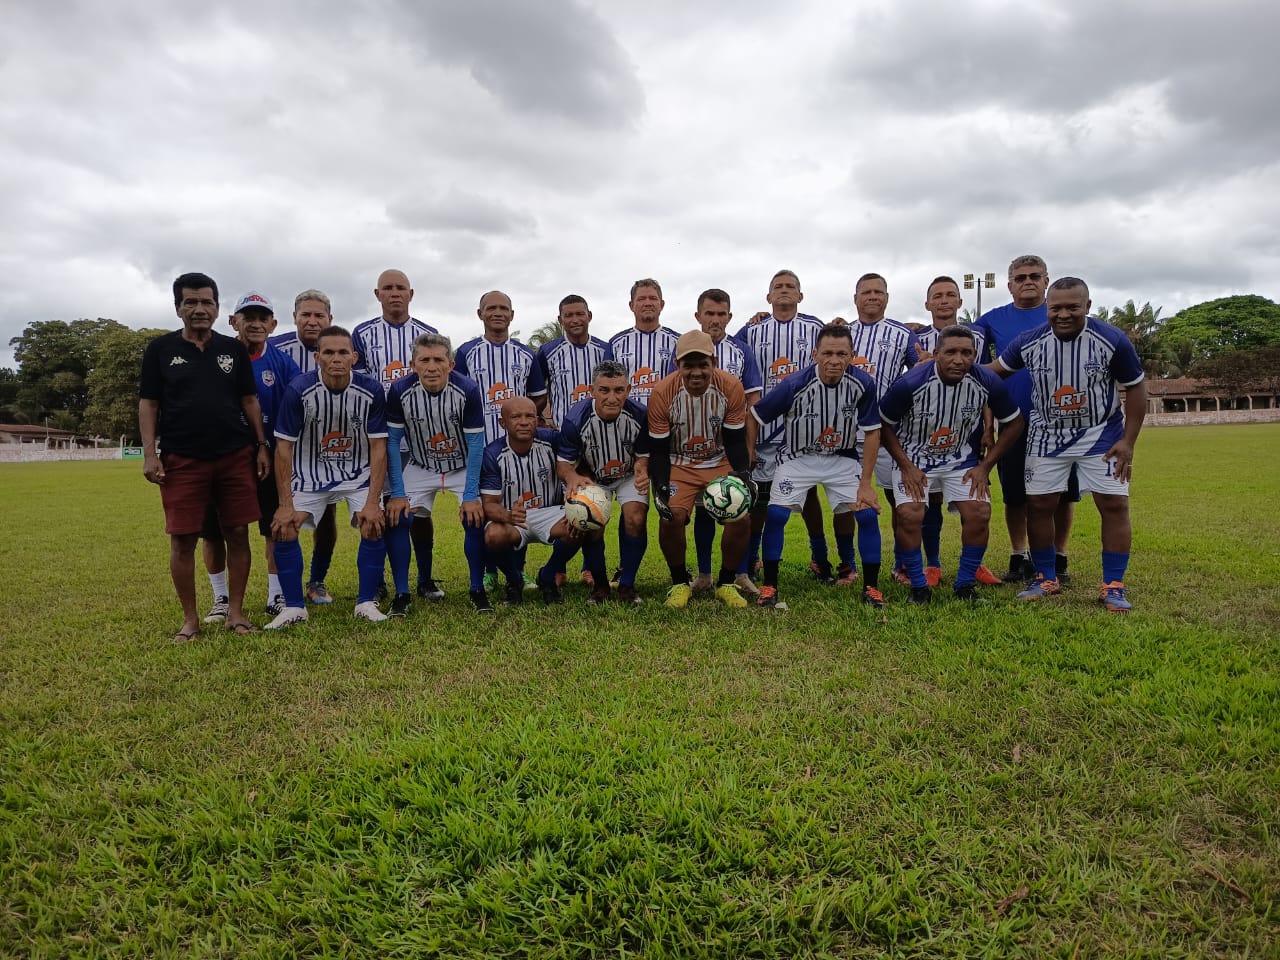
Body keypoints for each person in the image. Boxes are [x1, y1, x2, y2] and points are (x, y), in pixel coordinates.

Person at [990, 278, 1146, 611]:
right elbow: (993, 373)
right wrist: (944, 365)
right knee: (1039, 507)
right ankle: (1046, 577)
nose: (1063, 314)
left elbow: (1135, 387)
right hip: (1046, 438)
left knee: (1114, 505)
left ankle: (1113, 585)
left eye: (1072, 307)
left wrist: (1128, 441)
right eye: (1055, 308)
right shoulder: (1029, 342)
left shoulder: (1111, 339)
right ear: (1047, 308)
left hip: (1101, 436)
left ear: (1087, 306)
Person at [139, 272, 271, 642]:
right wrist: (150, 454)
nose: (199, 309)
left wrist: (261, 445)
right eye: (191, 302)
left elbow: (249, 400)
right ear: (178, 307)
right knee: (182, 539)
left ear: (217, 307)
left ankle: (237, 613)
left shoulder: (232, 350)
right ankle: (191, 620)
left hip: (234, 456)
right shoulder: (160, 350)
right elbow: (149, 404)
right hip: (183, 458)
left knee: (238, 532)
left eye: (206, 302)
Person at [878, 325, 1024, 604]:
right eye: (951, 352)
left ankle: (965, 585)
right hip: (915, 459)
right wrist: (906, 466)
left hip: (961, 460)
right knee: (909, 514)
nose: (959, 359)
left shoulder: (988, 381)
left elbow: (1015, 422)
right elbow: (883, 424)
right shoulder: (911, 382)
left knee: (980, 512)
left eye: (967, 353)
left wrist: (985, 466)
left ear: (975, 355)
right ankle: (919, 588)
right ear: (936, 354)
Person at [750, 324, 883, 609]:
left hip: (842, 457)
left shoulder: (864, 384)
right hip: (798, 457)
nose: (834, 360)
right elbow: (755, 416)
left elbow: (872, 431)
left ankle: (871, 588)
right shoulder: (793, 384)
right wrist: (749, 450)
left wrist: (866, 483)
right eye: (827, 353)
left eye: (841, 354)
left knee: (868, 515)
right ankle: (770, 586)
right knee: (776, 515)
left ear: (852, 355)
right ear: (815, 354)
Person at [265, 325, 390, 628]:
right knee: (284, 527)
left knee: (373, 523)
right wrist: (284, 503)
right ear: (318, 356)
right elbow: (283, 449)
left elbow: (378, 447)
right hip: (309, 474)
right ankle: (294, 607)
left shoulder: (371, 390)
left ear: (354, 357)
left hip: (356, 474)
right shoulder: (299, 389)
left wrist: (373, 501)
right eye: (329, 353)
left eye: (343, 352)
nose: (336, 359)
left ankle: (366, 602)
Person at [973, 255, 1078, 584]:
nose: (1027, 281)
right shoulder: (993, 320)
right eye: (1020, 277)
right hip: (1014, 419)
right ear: (1009, 285)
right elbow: (958, 339)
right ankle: (1020, 555)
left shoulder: (1063, 314)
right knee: (1015, 493)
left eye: (1034, 276)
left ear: (1047, 280)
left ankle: (1059, 556)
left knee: (1063, 493)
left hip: (1062, 421)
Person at [200, 292, 300, 621]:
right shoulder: (214, 356)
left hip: (269, 460)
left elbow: (294, 411)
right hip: (221, 458)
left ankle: (276, 595)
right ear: (233, 321)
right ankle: (221, 598)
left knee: (275, 527)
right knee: (216, 531)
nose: (255, 323)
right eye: (248, 317)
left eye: (262, 318)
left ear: (273, 324)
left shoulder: (283, 363)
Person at [734, 270, 834, 583]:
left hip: (805, 426)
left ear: (800, 295)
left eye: (791, 286)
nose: (784, 291)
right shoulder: (752, 330)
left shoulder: (816, 327)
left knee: (810, 497)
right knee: (761, 498)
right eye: (778, 287)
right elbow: (728, 352)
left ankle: (820, 558)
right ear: (768, 297)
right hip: (764, 427)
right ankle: (751, 561)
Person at [647, 330, 755, 609]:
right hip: (678, 462)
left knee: (740, 517)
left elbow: (734, 440)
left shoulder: (731, 387)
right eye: (688, 365)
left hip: (718, 461)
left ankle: (727, 583)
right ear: (677, 365)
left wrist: (743, 474)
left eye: (702, 364)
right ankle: (679, 582)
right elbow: (658, 449)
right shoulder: (662, 393)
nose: (696, 372)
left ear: (714, 362)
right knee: (670, 516)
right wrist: (659, 485)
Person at [907, 277, 1002, 588]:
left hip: (967, 431)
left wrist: (989, 427)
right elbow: (915, 380)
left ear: (960, 302)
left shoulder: (976, 334)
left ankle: (974, 564)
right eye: (937, 296)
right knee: (930, 499)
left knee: (972, 498)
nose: (944, 300)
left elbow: (984, 383)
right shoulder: (917, 338)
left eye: (950, 295)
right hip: (927, 433)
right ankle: (932, 564)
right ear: (928, 304)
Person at [383, 334, 488, 615]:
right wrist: (398, 492)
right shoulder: (398, 391)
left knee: (474, 516)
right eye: (424, 360)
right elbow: (392, 441)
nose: (431, 367)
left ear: (451, 364)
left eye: (438, 360)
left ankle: (477, 589)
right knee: (399, 517)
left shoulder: (468, 390)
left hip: (461, 465)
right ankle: (405, 592)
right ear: (412, 364)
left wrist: (469, 494)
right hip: (421, 464)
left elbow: (476, 444)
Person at [352, 269, 441, 599]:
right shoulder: (361, 333)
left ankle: (426, 577)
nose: (394, 293)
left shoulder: (427, 333)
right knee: (380, 508)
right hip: (380, 435)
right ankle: (377, 580)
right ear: (377, 294)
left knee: (418, 511)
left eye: (400, 288)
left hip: (419, 440)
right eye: (387, 288)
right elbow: (360, 386)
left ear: (411, 293)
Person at [456, 290, 548, 592]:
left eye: (503, 308)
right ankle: (487, 573)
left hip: (517, 447)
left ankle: (517, 571)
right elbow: (455, 396)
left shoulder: (526, 355)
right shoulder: (466, 352)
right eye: (491, 308)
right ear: (480, 314)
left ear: (512, 314)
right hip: (478, 447)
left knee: (516, 507)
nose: (498, 313)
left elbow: (537, 400)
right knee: (483, 512)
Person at [480, 396, 597, 607]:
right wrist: (507, 515)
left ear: (537, 419)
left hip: (550, 511)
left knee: (583, 521)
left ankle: (548, 576)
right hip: (513, 516)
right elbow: (489, 503)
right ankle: (514, 580)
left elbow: (580, 456)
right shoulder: (492, 453)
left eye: (529, 416)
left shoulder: (552, 440)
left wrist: (576, 486)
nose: (524, 422)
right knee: (493, 535)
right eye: (515, 417)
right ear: (502, 423)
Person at [556, 360, 651, 604]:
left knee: (636, 518)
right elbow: (563, 464)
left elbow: (643, 454)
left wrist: (642, 467)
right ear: (592, 391)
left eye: (619, 390)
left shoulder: (640, 415)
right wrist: (573, 477)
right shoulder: (575, 419)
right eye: (604, 390)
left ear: (628, 390)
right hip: (593, 477)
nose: (612, 397)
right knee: (592, 523)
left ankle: (627, 585)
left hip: (627, 474)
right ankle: (600, 587)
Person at [688, 289, 762, 597]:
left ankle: (740, 573)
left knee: (739, 507)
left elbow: (752, 401)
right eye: (710, 313)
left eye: (721, 314)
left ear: (729, 317)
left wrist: (749, 447)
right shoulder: (685, 351)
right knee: (705, 508)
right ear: (698, 316)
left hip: (731, 447)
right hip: (697, 448)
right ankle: (704, 575)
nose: (715, 320)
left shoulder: (742, 351)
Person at [268, 289, 339, 603]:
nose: (312, 321)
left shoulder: (338, 347)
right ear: (294, 316)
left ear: (329, 318)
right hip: (285, 448)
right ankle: (281, 590)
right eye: (306, 315)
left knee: (327, 517)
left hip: (327, 450)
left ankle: (317, 580)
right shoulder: (274, 348)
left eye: (319, 315)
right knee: (282, 514)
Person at [536, 294, 609, 429]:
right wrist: (539, 420)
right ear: (560, 320)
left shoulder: (605, 350)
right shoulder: (547, 352)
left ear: (589, 316)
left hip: (600, 432)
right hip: (563, 434)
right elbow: (535, 392)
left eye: (580, 314)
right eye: (569, 315)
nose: (575, 320)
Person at [606, 278, 681, 408]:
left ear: (661, 304)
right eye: (641, 299)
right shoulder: (616, 344)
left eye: (652, 298)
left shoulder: (678, 341)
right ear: (631, 305)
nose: (647, 303)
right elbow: (606, 384)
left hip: (666, 418)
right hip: (627, 419)